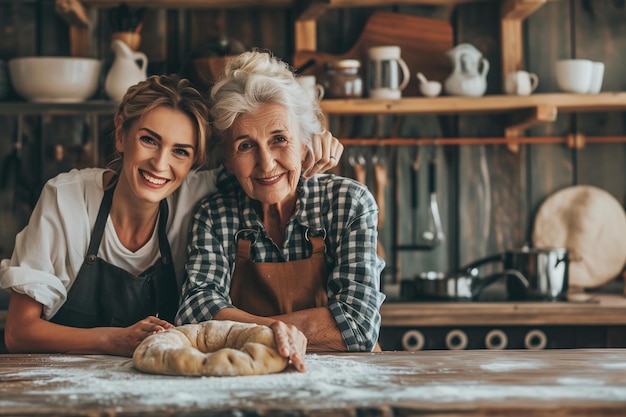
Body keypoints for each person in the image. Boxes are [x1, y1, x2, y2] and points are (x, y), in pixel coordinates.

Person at [0, 74, 343, 370]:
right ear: (121, 134)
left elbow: (261, 168)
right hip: (59, 384)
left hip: (160, 382)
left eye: (181, 151)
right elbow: (18, 332)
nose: (160, 164)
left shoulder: (193, 195)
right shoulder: (65, 199)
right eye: (149, 140)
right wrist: (117, 340)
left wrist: (309, 141)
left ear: (196, 160)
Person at [176, 50, 386, 352]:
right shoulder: (215, 215)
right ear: (229, 160)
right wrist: (279, 330)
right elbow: (195, 314)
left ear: (305, 144)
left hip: (342, 386)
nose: (266, 163)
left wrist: (242, 328)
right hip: (247, 381)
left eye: (279, 139)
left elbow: (357, 327)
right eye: (245, 145)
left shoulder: (348, 203)